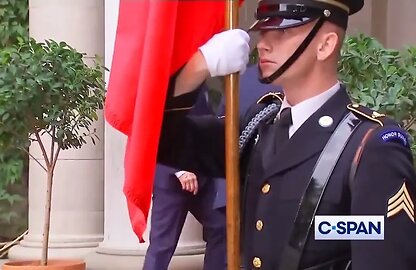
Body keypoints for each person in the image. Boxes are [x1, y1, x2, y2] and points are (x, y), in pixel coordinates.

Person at [157, 0, 416, 269]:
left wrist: (323, 227)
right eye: (264, 31)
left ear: (325, 45)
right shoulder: (257, 126)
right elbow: (165, 140)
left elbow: (379, 253)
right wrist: (197, 68)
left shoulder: (370, 146)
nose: (263, 45)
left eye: (281, 33)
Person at [143, 87, 227, 270]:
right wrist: (179, 170)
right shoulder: (166, 80)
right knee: (162, 245)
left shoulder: (203, 82)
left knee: (222, 227)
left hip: (203, 174)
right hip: (172, 176)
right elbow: (151, 127)